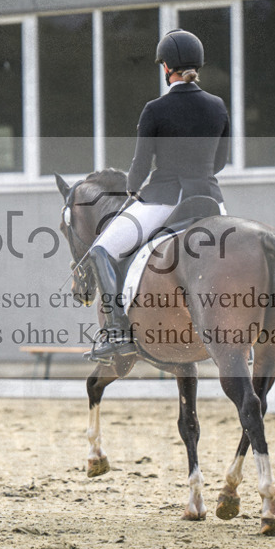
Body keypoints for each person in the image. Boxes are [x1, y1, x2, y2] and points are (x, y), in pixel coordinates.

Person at [82, 29, 231, 361]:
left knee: (101, 250)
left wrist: (133, 189)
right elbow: (219, 161)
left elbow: (139, 165)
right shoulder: (218, 106)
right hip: (210, 199)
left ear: (168, 67)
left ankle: (117, 331)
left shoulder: (155, 109)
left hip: (165, 198)